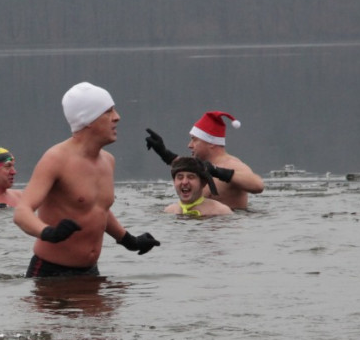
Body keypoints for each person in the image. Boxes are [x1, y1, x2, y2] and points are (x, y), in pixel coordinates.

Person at [14, 82, 160, 277]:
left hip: (90, 272)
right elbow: (21, 213)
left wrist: (129, 241)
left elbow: (98, 210)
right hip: (50, 273)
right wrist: (49, 232)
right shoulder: (56, 159)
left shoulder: (108, 161)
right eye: (108, 112)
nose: (117, 117)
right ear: (87, 120)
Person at [144, 111, 264, 210]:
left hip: (227, 227)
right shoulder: (200, 164)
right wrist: (163, 152)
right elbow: (183, 166)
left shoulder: (233, 164)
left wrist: (218, 172)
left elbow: (258, 186)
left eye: (194, 140)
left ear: (211, 143)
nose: (189, 145)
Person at [163, 156, 232, 217]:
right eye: (180, 177)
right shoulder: (169, 211)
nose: (184, 182)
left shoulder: (221, 212)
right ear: (174, 182)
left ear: (203, 183)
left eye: (191, 177)